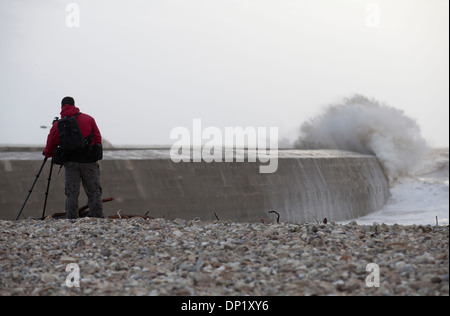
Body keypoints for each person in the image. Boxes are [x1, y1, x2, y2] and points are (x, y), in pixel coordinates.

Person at [43, 96, 105, 219]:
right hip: (88, 161)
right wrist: (93, 153)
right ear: (74, 105)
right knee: (94, 192)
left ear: (62, 107)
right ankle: (98, 218)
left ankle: (71, 219)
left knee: (71, 193)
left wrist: (48, 154)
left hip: (70, 162)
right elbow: (97, 138)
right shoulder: (88, 119)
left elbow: (51, 142)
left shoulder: (59, 124)